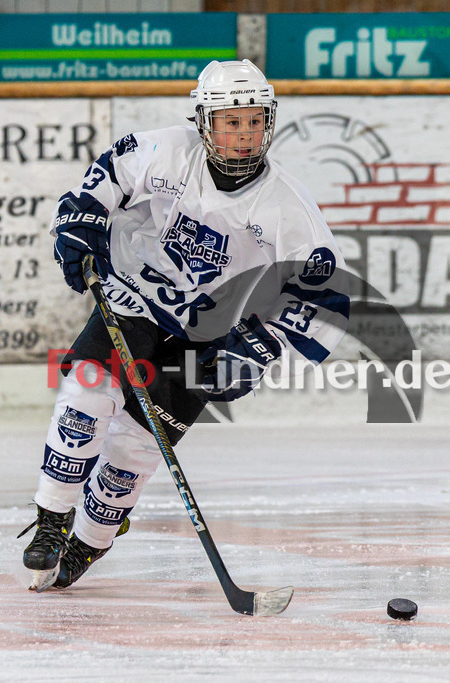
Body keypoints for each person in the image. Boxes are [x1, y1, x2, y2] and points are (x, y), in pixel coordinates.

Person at [19, 59, 349, 591]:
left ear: (269, 122)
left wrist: (258, 350)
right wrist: (82, 221)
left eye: (253, 121)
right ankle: (53, 519)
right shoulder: (168, 151)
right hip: (137, 295)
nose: (243, 135)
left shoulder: (288, 209)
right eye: (229, 121)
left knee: (133, 449)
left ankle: (91, 539)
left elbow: (320, 297)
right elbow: (107, 177)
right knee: (86, 393)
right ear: (204, 122)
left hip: (212, 335)